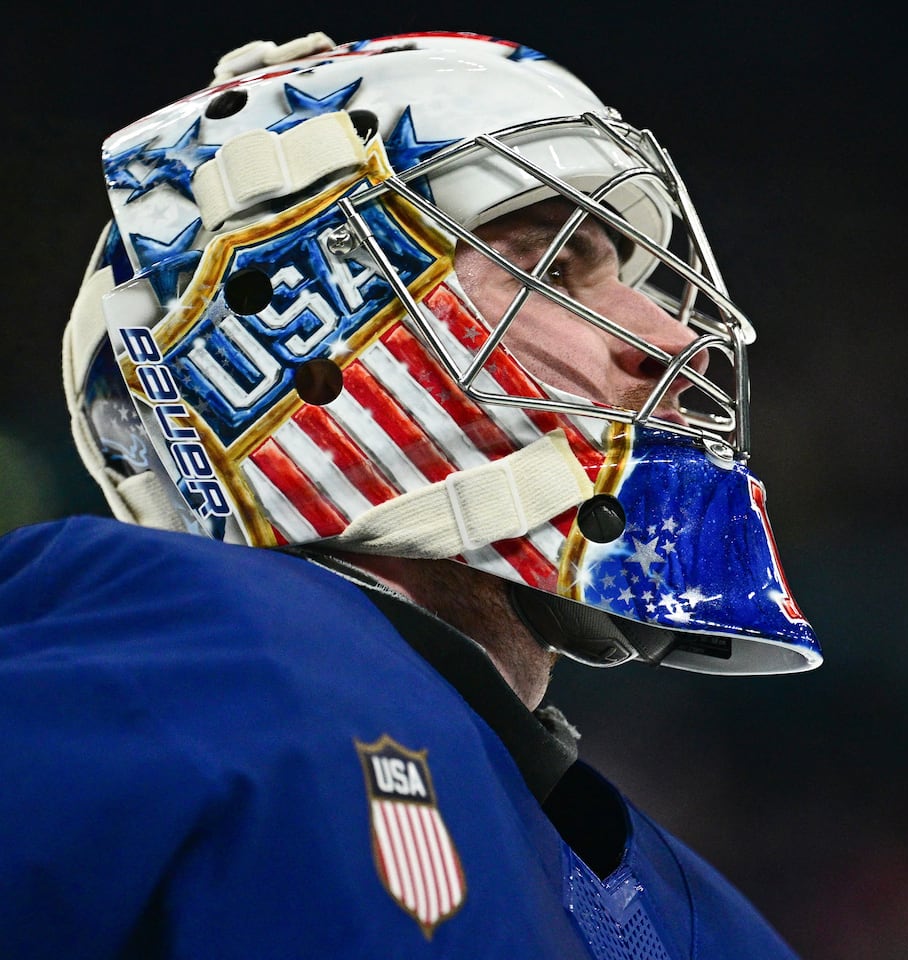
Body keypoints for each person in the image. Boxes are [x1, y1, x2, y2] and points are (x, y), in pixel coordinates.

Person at [0, 29, 822, 958]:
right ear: (301, 346)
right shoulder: (169, 645)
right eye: (556, 269)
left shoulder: (698, 917)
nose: (674, 340)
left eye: (625, 276)